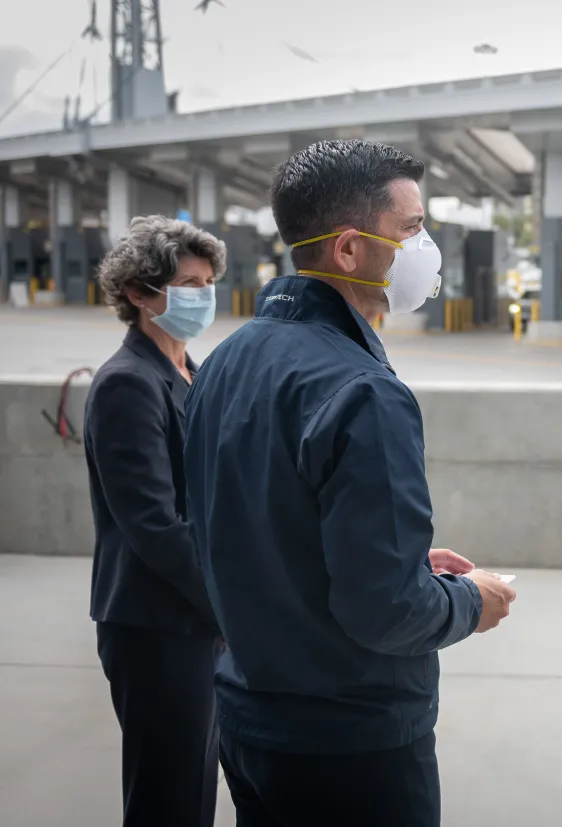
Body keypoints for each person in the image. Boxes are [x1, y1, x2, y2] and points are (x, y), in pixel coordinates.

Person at [183, 139, 516, 827]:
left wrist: (398, 561)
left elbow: (248, 528)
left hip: (247, 721)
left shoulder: (225, 363)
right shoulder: (363, 390)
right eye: (411, 228)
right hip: (350, 746)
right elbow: (388, 612)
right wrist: (469, 602)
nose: (426, 247)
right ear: (347, 249)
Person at [84, 215, 226, 827]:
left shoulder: (196, 373)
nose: (204, 294)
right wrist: (234, 604)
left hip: (196, 619)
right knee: (167, 795)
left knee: (194, 786)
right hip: (156, 625)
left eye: (209, 281)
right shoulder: (127, 384)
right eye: (187, 283)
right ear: (140, 294)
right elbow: (155, 526)